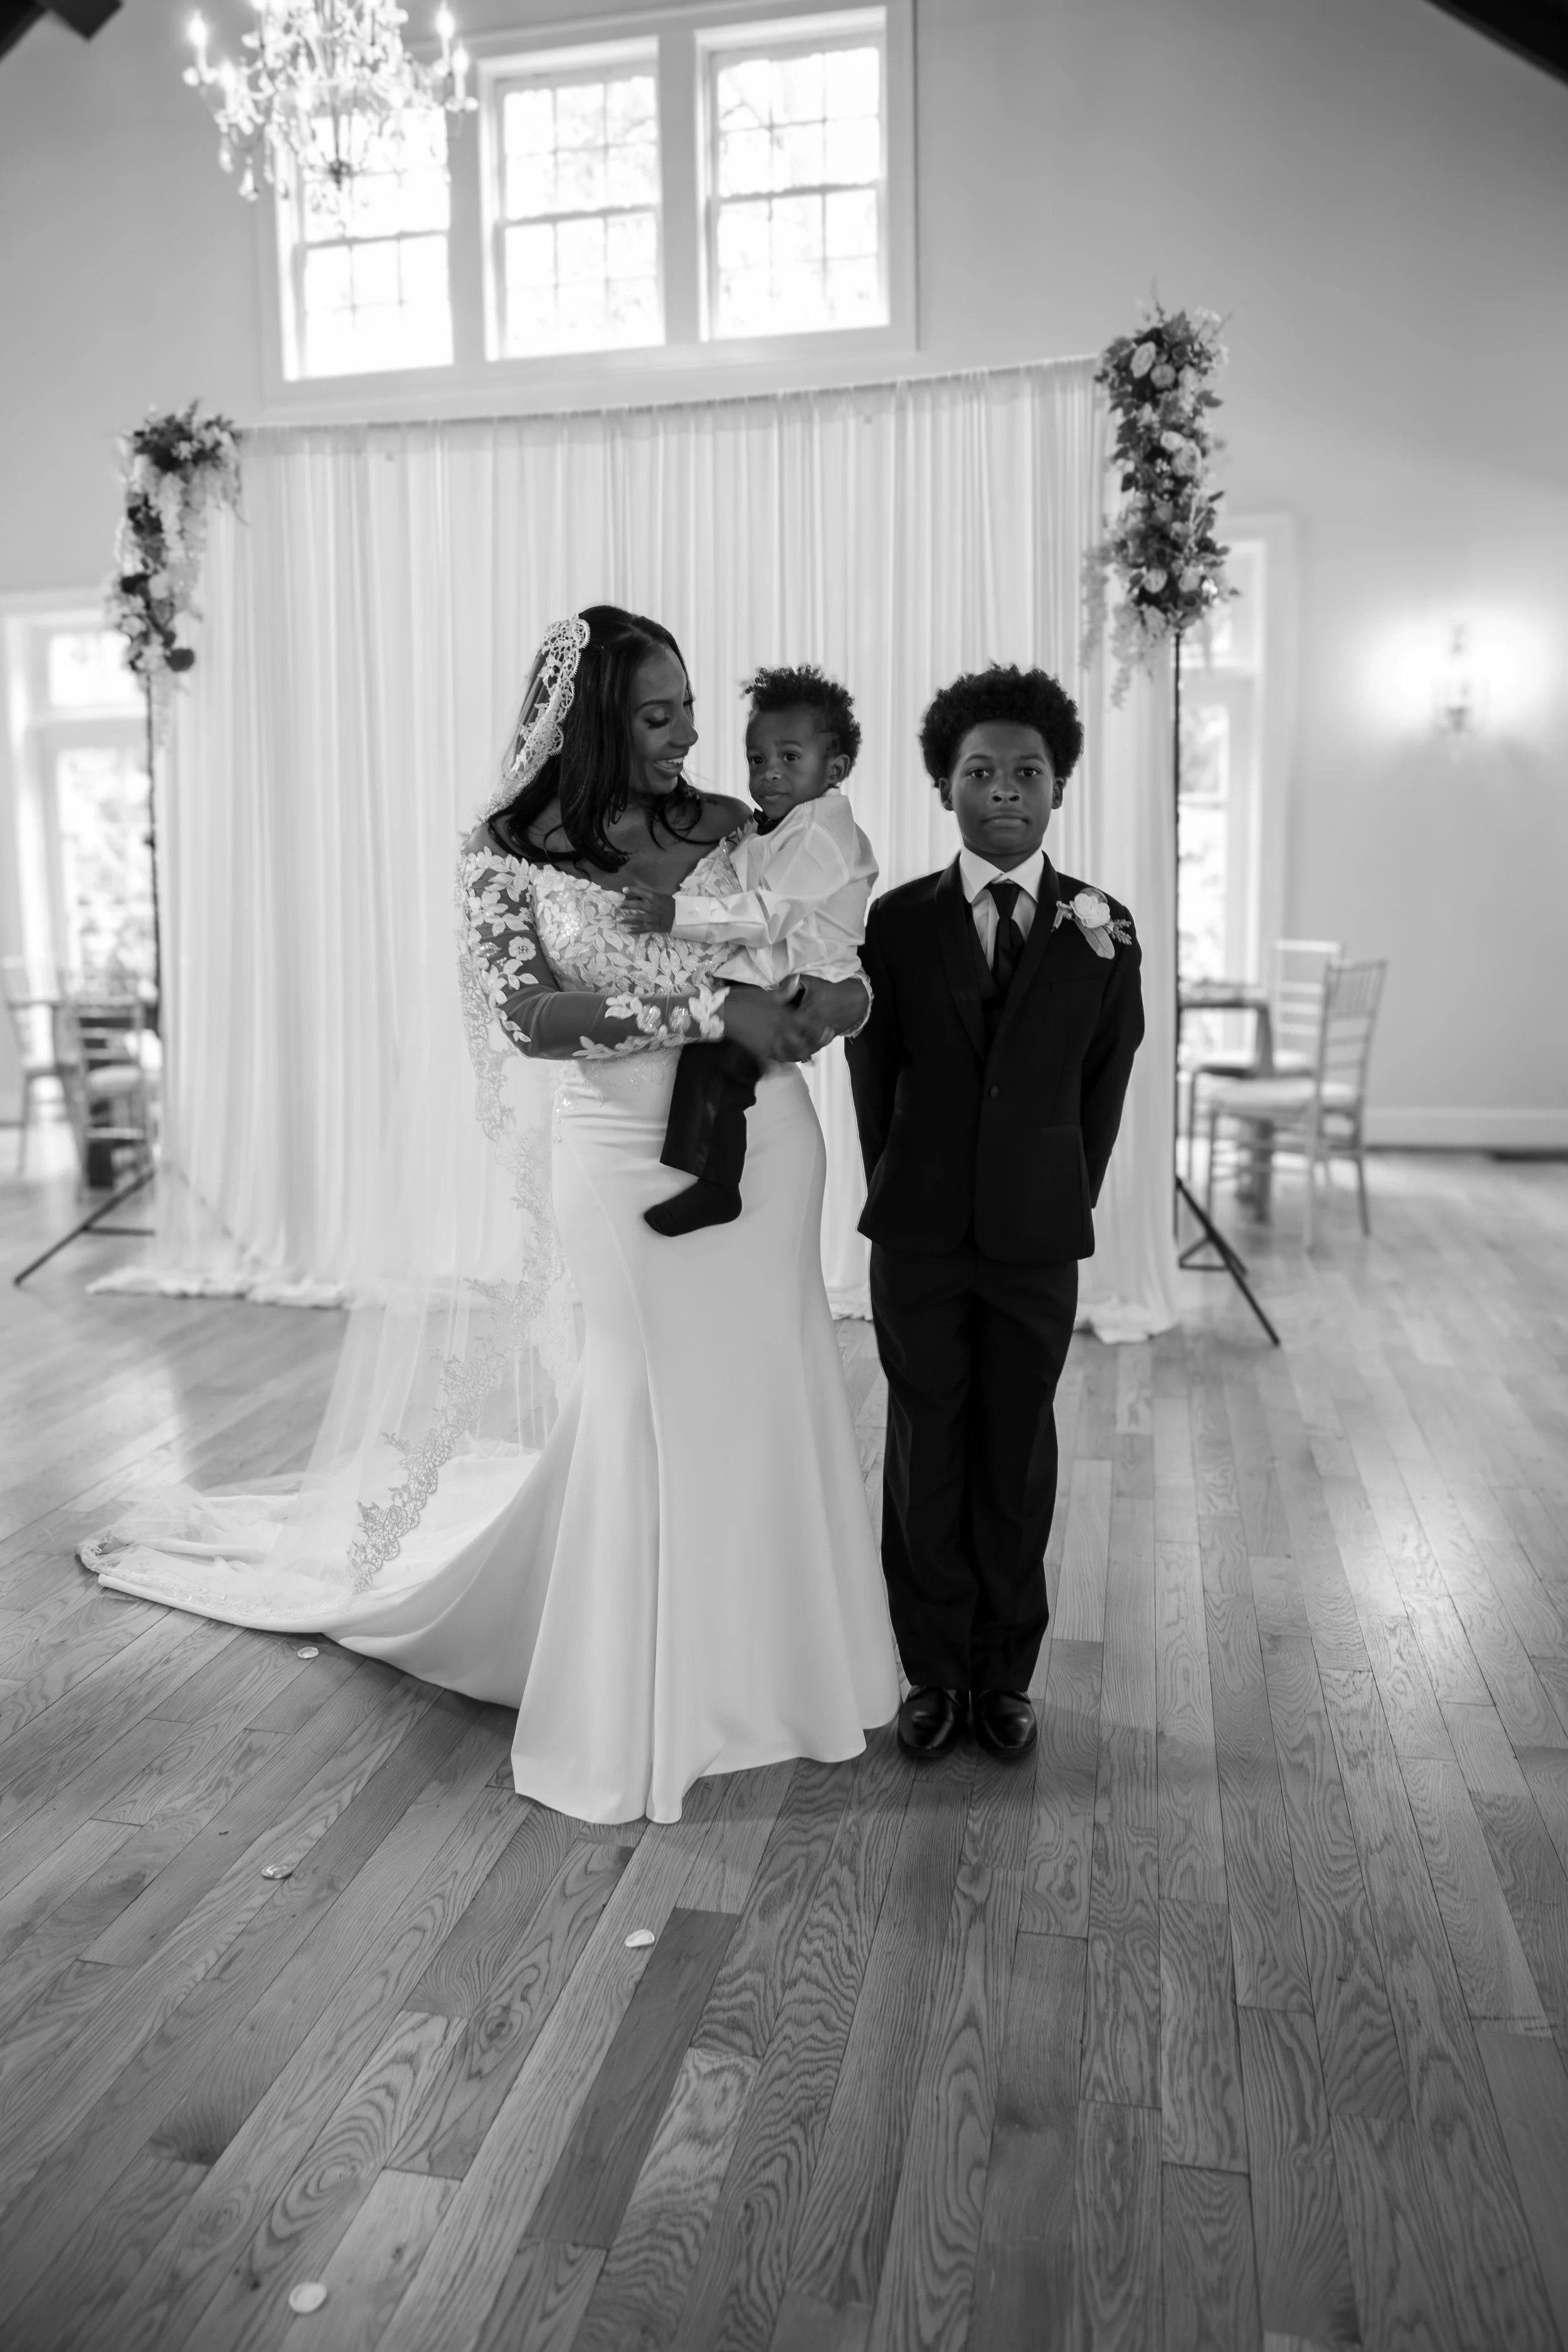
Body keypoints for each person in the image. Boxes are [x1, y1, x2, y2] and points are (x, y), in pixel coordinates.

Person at [81, 607, 898, 1825]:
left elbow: (831, 952)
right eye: (657, 712)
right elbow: (531, 1018)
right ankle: (641, 1693)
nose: (687, 734)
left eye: (686, 707)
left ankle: (779, 1678)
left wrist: (836, 1001)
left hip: (769, 1147)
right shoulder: (499, 855)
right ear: (589, 721)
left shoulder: (732, 824)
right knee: (641, 1393)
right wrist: (704, 1016)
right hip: (620, 1158)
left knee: (770, 1380)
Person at [845, 662, 1144, 1764]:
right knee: (928, 1448)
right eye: (981, 772)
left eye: (1027, 771)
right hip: (919, 1233)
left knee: (1017, 1454)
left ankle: (1003, 1676)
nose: (1004, 789)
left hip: (1035, 1238)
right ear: (945, 786)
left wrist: (1055, 1193)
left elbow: (1103, 1090)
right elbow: (875, 1086)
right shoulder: (895, 923)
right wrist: (911, 1185)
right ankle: (931, 1673)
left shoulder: (1103, 927)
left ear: (1059, 785)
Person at [621, 663, 878, 1238]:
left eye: (790, 758)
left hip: (802, 983)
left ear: (834, 769)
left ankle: (717, 1187)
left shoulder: (821, 833)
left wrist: (674, 915)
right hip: (767, 975)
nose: (768, 775)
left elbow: (765, 915)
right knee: (710, 1061)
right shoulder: (783, 827)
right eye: (757, 761)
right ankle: (710, 1180)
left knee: (722, 1066)